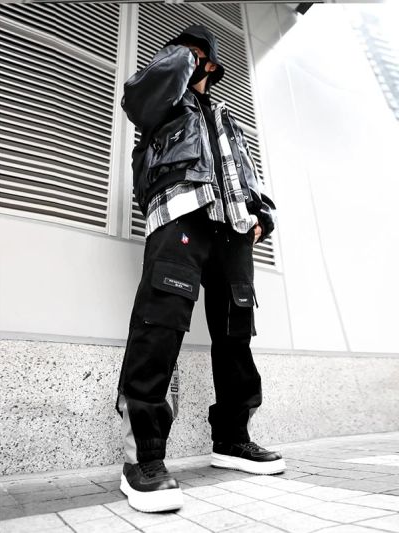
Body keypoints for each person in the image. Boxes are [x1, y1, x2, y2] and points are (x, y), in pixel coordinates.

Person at [116, 24, 285, 513]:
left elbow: (245, 173)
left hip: (233, 229)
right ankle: (143, 459)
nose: (195, 61)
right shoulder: (162, 99)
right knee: (160, 325)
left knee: (236, 334)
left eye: (201, 56)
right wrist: (183, 55)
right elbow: (137, 98)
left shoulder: (225, 114)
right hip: (181, 214)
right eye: (188, 54)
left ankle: (232, 439)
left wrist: (262, 216)